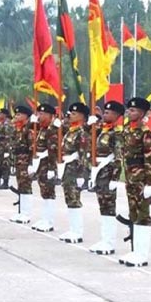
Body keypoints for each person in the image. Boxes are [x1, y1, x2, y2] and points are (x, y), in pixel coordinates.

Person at [119, 97, 151, 267]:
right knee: (133, 213)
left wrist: (149, 183)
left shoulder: (145, 132)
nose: (129, 113)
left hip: (140, 177)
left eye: (133, 110)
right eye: (129, 110)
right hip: (130, 177)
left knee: (143, 214)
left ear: (141, 113)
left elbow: (149, 159)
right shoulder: (127, 130)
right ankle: (135, 250)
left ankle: (142, 254)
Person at [88, 101, 124, 255]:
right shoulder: (102, 131)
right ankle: (104, 239)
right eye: (105, 111)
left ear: (117, 116)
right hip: (99, 173)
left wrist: (115, 178)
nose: (105, 114)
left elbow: (118, 157)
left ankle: (109, 243)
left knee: (109, 207)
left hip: (108, 173)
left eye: (109, 112)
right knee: (102, 206)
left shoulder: (116, 134)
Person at [56, 102, 91, 244]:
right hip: (67, 168)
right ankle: (72, 229)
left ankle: (77, 231)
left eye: (74, 113)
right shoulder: (71, 131)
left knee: (74, 199)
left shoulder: (82, 133)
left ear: (82, 116)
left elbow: (83, 154)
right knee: (69, 198)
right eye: (70, 113)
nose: (70, 115)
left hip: (75, 169)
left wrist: (82, 175)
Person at [29, 103, 59, 233]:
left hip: (47, 163)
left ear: (50, 115)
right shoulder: (41, 128)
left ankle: (49, 221)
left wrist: (52, 168)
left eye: (42, 114)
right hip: (41, 163)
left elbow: (52, 150)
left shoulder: (52, 130)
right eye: (39, 113)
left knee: (49, 192)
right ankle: (44, 218)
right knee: (44, 192)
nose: (39, 116)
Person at [9, 105, 34, 224]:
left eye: (19, 114)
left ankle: (26, 213)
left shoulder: (29, 129)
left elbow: (32, 147)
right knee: (21, 185)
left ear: (26, 116)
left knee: (26, 186)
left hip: (25, 161)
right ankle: (21, 212)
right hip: (19, 161)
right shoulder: (18, 128)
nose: (16, 116)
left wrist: (31, 163)